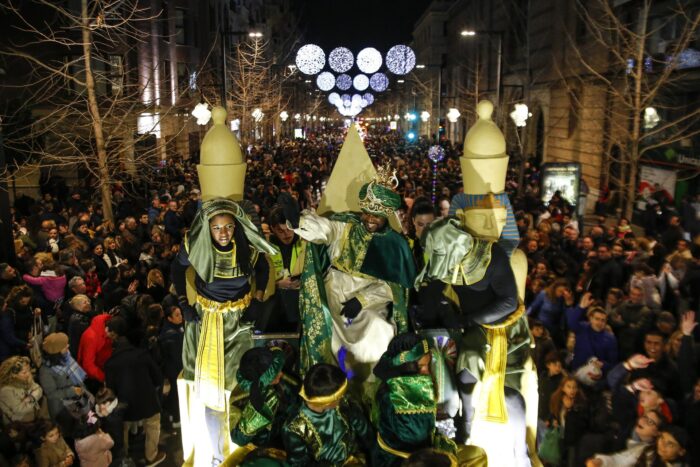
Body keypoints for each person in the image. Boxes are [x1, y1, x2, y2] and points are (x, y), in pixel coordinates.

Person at [280, 166, 416, 379]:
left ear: (386, 216)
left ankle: (370, 386)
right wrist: (298, 221)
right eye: (367, 213)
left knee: (379, 327)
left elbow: (394, 287)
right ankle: (331, 383)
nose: (370, 219)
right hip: (334, 291)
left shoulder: (395, 244)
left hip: (372, 299)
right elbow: (325, 229)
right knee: (327, 325)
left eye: (377, 216)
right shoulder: (346, 226)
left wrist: (362, 300)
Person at [170, 197, 278, 465]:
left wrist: (258, 298)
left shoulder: (247, 246)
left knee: (239, 385)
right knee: (211, 392)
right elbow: (176, 268)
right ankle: (219, 456)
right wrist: (184, 303)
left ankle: (241, 444)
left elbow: (263, 267)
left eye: (229, 227)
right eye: (217, 228)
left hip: (240, 322)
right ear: (208, 228)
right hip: (209, 322)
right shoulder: (194, 244)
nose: (223, 233)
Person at [372, 333, 475, 466]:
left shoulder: (394, 383)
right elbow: (418, 438)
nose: (427, 372)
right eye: (420, 367)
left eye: (428, 364)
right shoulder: (403, 399)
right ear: (405, 368)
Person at [282, 363, 374, 466]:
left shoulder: (342, 402)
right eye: (339, 396)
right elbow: (300, 463)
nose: (342, 397)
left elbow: (362, 427)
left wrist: (371, 449)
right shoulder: (294, 429)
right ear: (327, 401)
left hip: (355, 458)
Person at [103, 316, 165, 467]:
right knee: (153, 425)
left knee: (123, 429)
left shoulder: (110, 364)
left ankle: (124, 457)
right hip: (148, 400)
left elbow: (110, 390)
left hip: (125, 405)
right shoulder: (142, 355)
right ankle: (151, 455)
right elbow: (157, 377)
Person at [229, 346, 299, 458]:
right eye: (275, 374)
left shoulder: (280, 381)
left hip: (287, 434)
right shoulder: (240, 399)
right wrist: (256, 413)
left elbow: (295, 394)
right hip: (262, 450)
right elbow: (238, 438)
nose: (281, 374)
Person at [38, 333, 90, 428]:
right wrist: (72, 391)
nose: (68, 346)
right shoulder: (45, 370)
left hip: (78, 401)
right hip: (62, 408)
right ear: (57, 351)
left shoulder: (66, 357)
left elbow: (77, 377)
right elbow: (51, 394)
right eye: (64, 345)